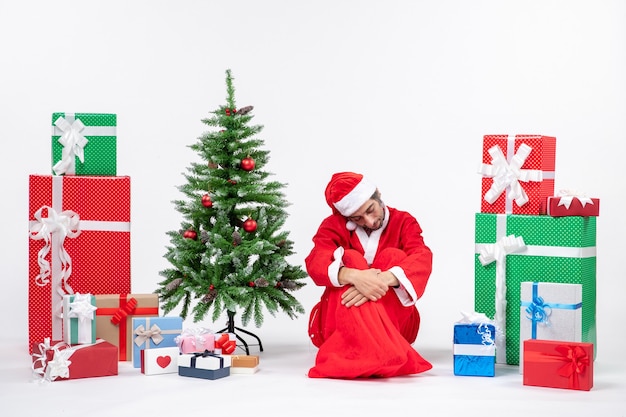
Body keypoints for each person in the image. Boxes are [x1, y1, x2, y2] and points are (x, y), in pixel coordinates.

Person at [305, 172, 433, 379]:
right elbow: (316, 260)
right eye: (357, 218)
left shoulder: (404, 221)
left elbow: (421, 255)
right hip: (338, 322)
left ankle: (361, 357)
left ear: (378, 195)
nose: (369, 221)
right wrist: (353, 276)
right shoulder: (333, 225)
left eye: (370, 210)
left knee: (394, 256)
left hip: (397, 324)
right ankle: (386, 353)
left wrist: (381, 280)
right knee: (351, 258)